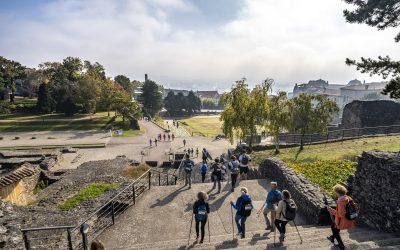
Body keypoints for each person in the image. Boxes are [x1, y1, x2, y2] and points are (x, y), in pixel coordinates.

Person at [327, 184, 356, 250]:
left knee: (334, 229)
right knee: (334, 227)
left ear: (338, 193)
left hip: (342, 221)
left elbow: (341, 214)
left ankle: (341, 245)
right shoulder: (348, 198)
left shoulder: (341, 202)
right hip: (349, 219)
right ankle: (332, 237)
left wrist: (331, 210)